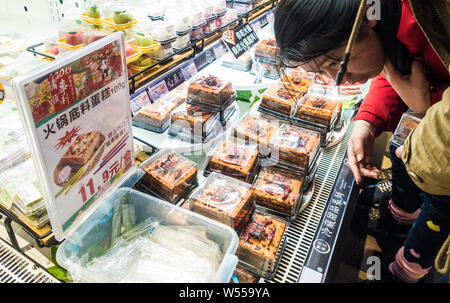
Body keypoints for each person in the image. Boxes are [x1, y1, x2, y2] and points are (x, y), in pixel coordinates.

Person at [274, 0, 450, 282]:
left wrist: (426, 107)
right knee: (398, 151)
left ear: (366, 19)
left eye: (334, 63)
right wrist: (366, 121)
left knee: (441, 205)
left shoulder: (430, 15)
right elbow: (395, 64)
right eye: (320, 73)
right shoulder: (385, 17)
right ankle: (400, 219)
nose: (336, 80)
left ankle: (407, 270)